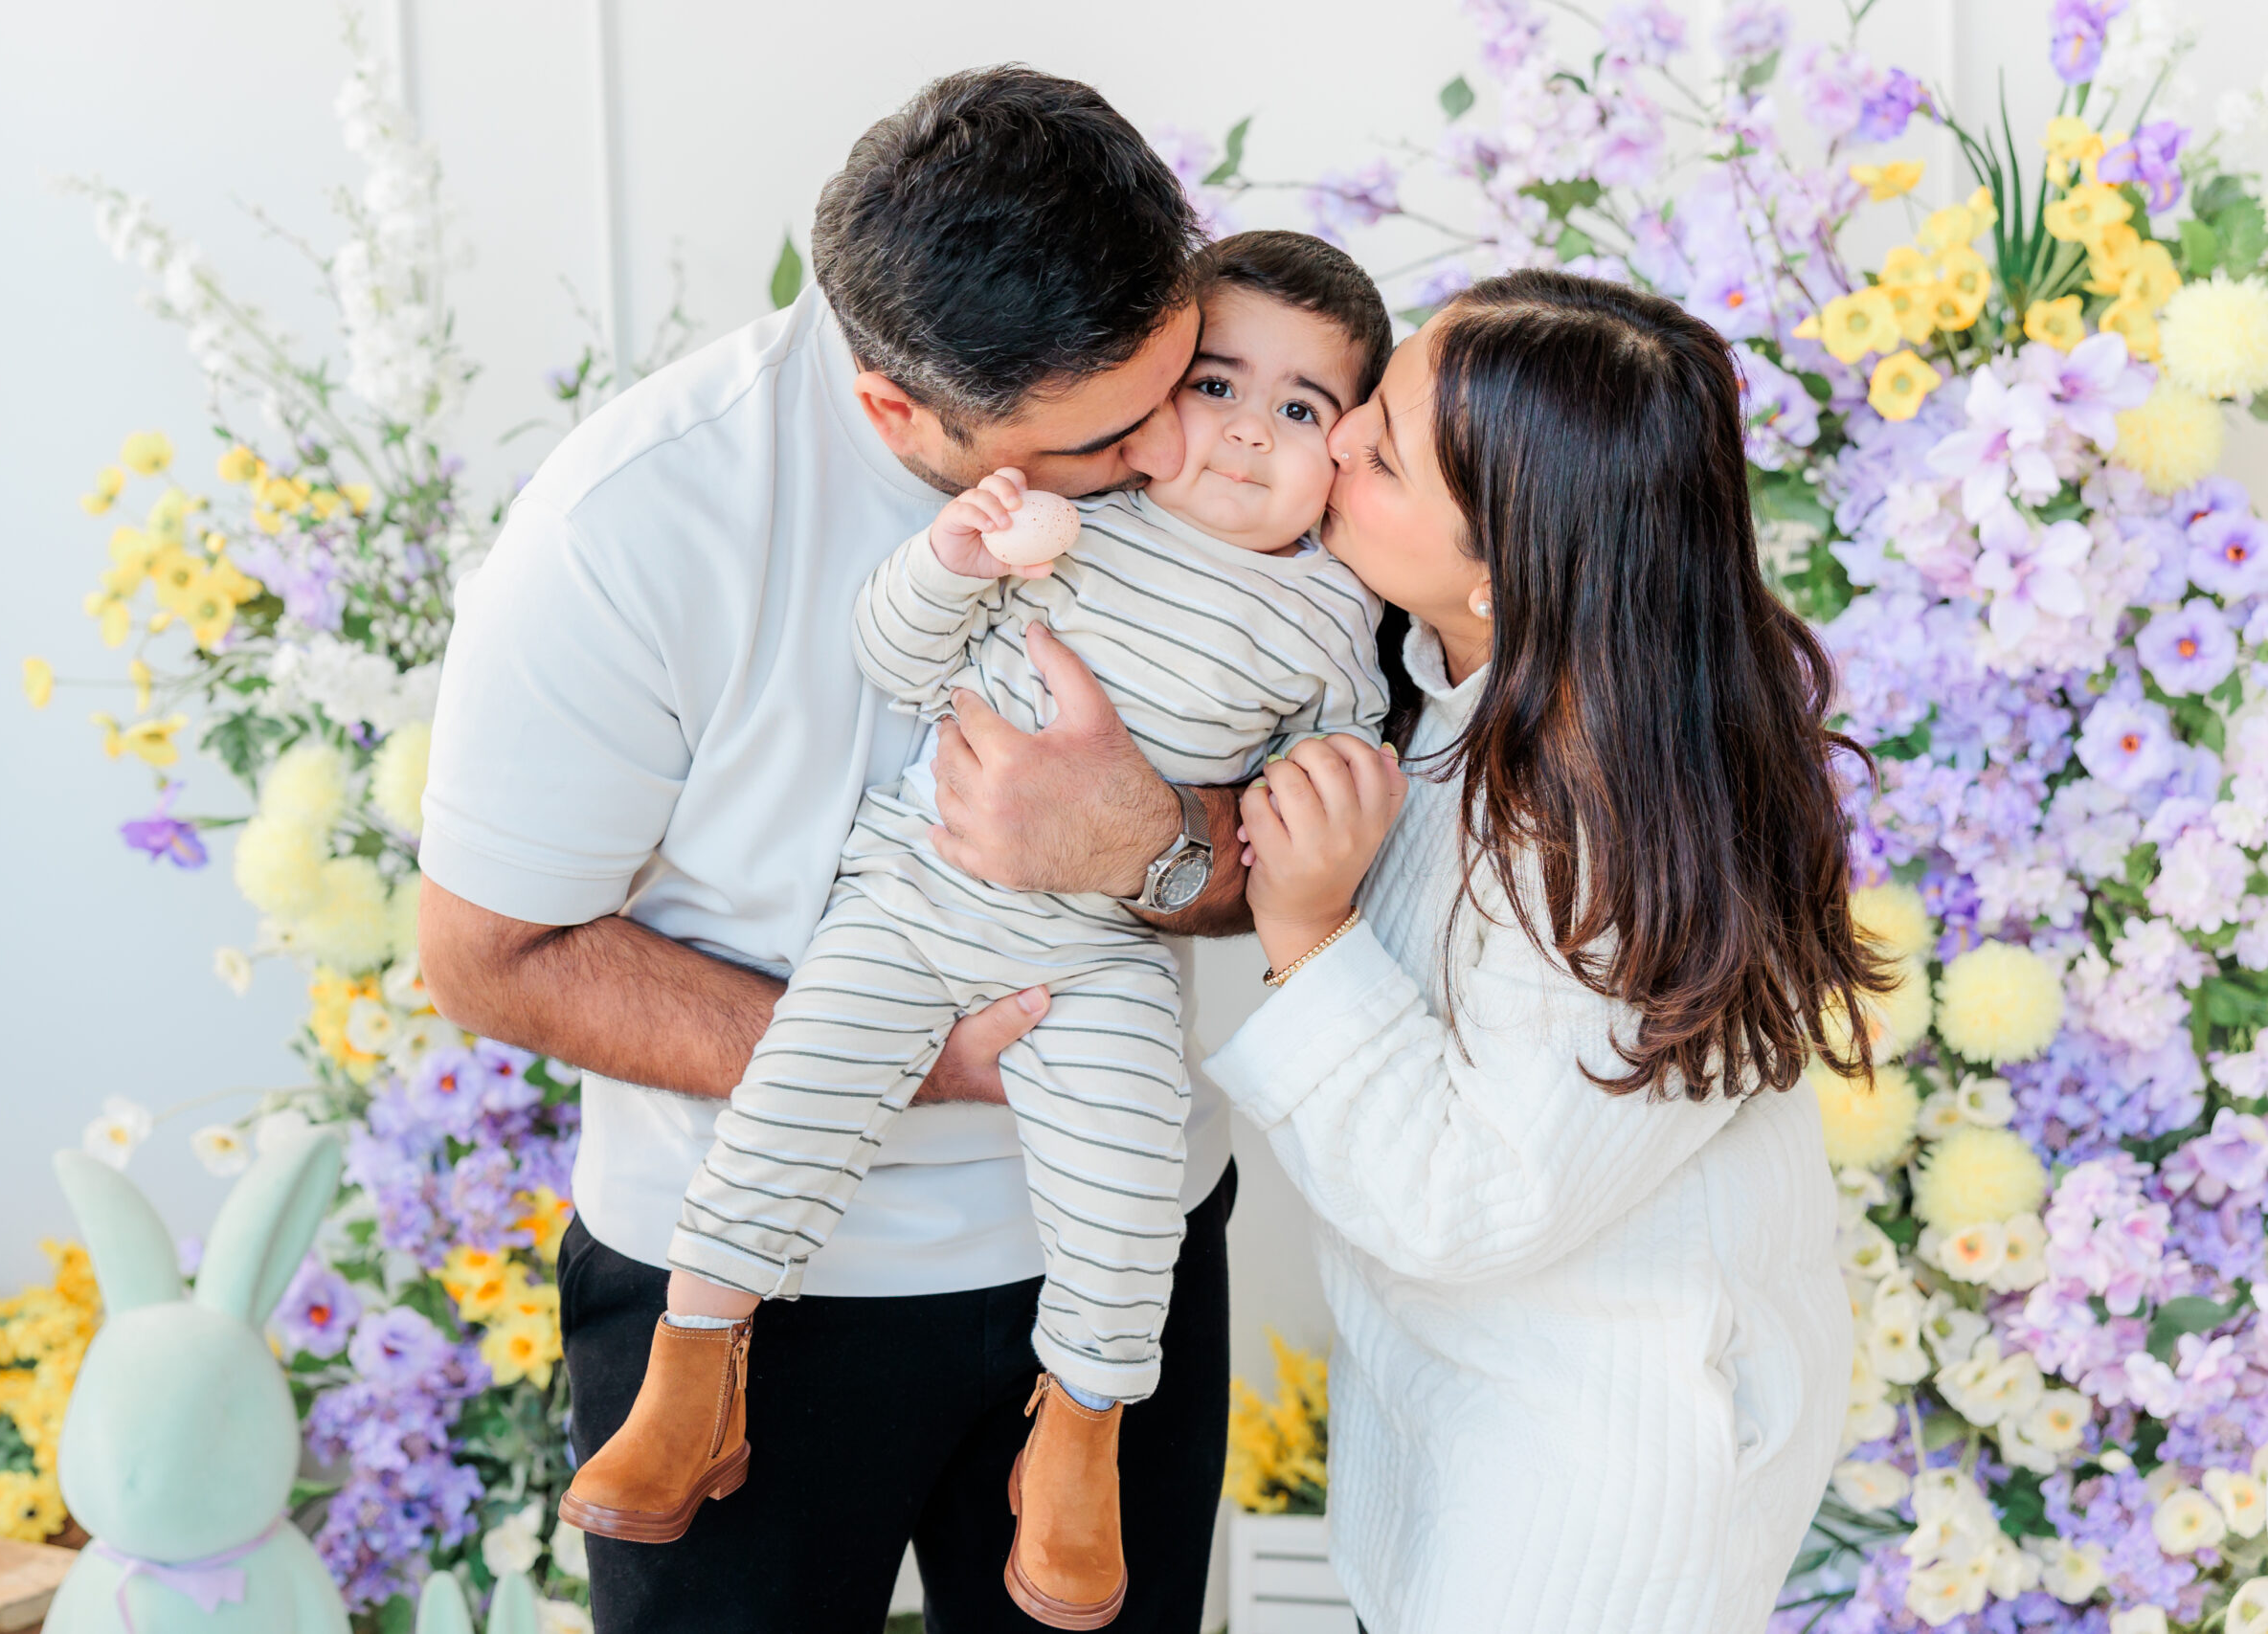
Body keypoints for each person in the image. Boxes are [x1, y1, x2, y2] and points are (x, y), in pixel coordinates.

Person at [417, 67, 1248, 1634]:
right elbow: (488, 956)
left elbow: (1292, 863)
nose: (1167, 461)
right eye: (1099, 441)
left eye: (1179, 382)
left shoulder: (1226, 442)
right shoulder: (632, 530)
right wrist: (922, 1055)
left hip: (1117, 1273)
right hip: (749, 1307)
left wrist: (1147, 842)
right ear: (894, 411)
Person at [561, 232, 1393, 1631]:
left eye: (1301, 410)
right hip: (917, 886)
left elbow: (1298, 824)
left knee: (1135, 1186)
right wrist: (953, 562)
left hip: (1102, 956)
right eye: (1217, 386)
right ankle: (693, 1372)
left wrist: (1322, 807)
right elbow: (893, 659)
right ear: (1147, 405)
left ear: (1346, 453)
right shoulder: (1073, 520)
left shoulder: (1332, 613)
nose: (1249, 432)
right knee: (798, 1084)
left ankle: (1076, 1439)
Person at [1201, 272, 1875, 1634]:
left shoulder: (1607, 828)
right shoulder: (1484, 689)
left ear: (1506, 572)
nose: (1330, 442)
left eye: (1380, 455)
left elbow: (1476, 1201)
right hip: (1482, 1434)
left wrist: (1308, 934)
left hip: (1587, 1511)